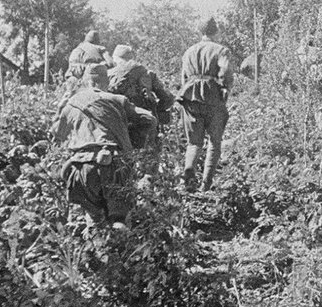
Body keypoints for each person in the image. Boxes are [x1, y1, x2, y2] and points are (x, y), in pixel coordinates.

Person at [50, 64, 157, 229]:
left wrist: (59, 108)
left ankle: (97, 249)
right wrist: (133, 139)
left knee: (94, 219)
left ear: (86, 81)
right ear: (106, 81)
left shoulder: (72, 104)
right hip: (115, 164)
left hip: (83, 167)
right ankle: (121, 249)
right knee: (120, 219)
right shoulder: (117, 100)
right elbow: (149, 119)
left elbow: (57, 134)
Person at [177, 17, 235, 191]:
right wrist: (226, 88)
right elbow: (225, 71)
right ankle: (206, 185)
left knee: (193, 143)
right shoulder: (221, 50)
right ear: (215, 31)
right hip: (212, 95)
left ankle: (188, 179)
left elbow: (184, 77)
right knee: (214, 142)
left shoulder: (189, 51)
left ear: (200, 32)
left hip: (190, 96)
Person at [107, 44, 175, 138]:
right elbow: (168, 98)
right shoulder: (147, 73)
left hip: (119, 123)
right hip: (146, 121)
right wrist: (157, 109)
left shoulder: (108, 75)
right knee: (150, 150)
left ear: (116, 58)